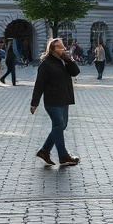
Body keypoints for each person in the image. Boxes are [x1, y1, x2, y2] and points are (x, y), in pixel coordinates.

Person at [30, 38, 80, 167]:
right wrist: (34, 103)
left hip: (64, 99)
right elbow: (39, 85)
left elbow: (75, 72)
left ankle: (44, 151)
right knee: (59, 125)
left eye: (63, 47)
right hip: (52, 101)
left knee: (61, 126)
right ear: (52, 49)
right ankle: (63, 156)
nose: (63, 49)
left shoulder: (63, 62)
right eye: (60, 47)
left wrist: (69, 59)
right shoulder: (46, 64)